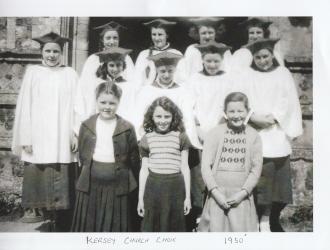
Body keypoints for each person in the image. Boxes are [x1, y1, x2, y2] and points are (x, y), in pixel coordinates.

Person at [11, 32, 85, 231]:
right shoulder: (33, 72)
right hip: (40, 135)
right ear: (42, 52)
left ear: (62, 53)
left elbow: (79, 106)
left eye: (56, 51)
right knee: (41, 178)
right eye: (48, 51)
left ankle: (61, 220)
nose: (52, 55)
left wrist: (75, 132)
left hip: (62, 136)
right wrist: (26, 137)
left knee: (62, 180)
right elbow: (25, 106)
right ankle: (42, 214)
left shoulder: (69, 73)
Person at [243, 38, 303, 232]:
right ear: (253, 58)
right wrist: (253, 116)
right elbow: (241, 99)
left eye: (266, 56)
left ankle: (268, 218)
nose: (262, 60)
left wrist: (275, 118)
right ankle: (254, 218)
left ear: (272, 55)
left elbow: (289, 100)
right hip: (254, 129)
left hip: (276, 131)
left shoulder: (282, 73)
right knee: (258, 178)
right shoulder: (247, 75)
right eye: (258, 57)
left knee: (275, 181)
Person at [71, 82, 140, 232]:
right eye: (103, 102)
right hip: (91, 185)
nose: (107, 107)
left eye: (112, 103)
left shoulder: (127, 128)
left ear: (119, 103)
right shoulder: (87, 125)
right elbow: (83, 155)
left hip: (118, 186)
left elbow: (134, 159)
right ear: (96, 101)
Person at [198, 92, 262, 232]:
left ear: (248, 112)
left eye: (240, 111)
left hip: (241, 199)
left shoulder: (254, 136)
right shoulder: (214, 133)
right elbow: (205, 167)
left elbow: (256, 170)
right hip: (217, 198)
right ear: (225, 112)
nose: (236, 115)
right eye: (231, 111)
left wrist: (242, 193)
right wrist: (216, 193)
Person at [137, 97, 192, 232]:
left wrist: (188, 197)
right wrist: (140, 198)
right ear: (152, 117)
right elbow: (144, 170)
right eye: (158, 116)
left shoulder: (181, 137)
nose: (162, 120)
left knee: (174, 227)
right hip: (153, 188)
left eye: (167, 116)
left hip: (175, 188)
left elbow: (185, 167)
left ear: (174, 117)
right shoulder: (146, 138)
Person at [79, 21, 135, 117]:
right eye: (108, 38)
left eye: (115, 38)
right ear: (102, 40)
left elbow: (133, 84)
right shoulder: (93, 59)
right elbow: (85, 88)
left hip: (122, 106)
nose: (112, 41)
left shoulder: (126, 58)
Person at [82, 46, 137, 124]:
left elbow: (131, 110)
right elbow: (92, 107)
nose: (115, 69)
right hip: (101, 122)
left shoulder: (129, 86)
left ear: (123, 66)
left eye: (118, 65)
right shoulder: (98, 83)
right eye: (111, 65)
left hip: (122, 125)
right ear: (106, 66)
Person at [134, 18, 186, 87]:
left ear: (167, 35)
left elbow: (182, 80)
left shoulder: (176, 54)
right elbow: (137, 80)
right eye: (154, 34)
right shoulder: (144, 54)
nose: (156, 38)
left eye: (160, 34)